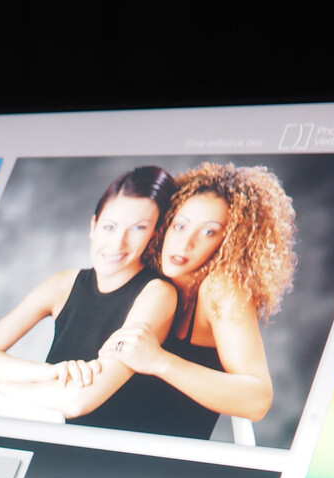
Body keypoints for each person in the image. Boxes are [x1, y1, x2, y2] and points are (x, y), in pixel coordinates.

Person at [92, 163, 297, 440]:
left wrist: (159, 361)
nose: (185, 243)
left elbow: (258, 400)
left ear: (231, 241)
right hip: (106, 437)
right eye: (180, 226)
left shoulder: (221, 289)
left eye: (208, 232)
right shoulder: (149, 276)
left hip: (159, 456)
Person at [0, 166, 177, 419]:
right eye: (109, 227)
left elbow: (77, 401)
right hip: (41, 431)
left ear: (156, 235)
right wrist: (47, 373)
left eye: (138, 228)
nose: (118, 243)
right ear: (93, 226)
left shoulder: (157, 294)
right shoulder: (63, 284)